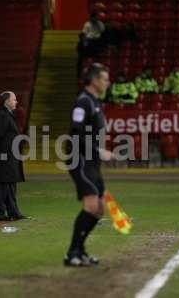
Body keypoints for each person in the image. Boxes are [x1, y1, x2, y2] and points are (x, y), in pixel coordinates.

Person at [64, 63, 114, 267]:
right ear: (94, 80)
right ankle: (72, 253)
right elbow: (75, 134)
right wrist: (98, 150)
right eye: (104, 79)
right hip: (81, 160)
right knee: (91, 205)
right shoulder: (83, 102)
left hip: (92, 162)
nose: (107, 82)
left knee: (100, 208)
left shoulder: (95, 102)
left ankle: (80, 251)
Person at [0, 91, 27, 221]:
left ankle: (13, 212)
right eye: (14, 99)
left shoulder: (6, 115)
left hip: (8, 157)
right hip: (3, 157)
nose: (16, 102)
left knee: (9, 185)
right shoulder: (2, 116)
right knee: (2, 186)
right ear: (6, 102)